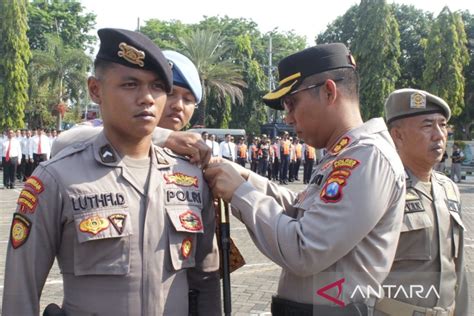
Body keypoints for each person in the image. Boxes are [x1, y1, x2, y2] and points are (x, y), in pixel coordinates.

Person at [2, 28, 220, 316]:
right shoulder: (57, 179)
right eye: (130, 85)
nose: (147, 98)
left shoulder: (191, 178)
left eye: (157, 87)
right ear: (95, 90)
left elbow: (206, 279)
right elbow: (21, 294)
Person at [204, 43, 406, 315]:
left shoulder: (367, 156)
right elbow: (303, 213)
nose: (287, 117)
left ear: (328, 91)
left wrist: (240, 193)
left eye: (291, 102)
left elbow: (305, 249)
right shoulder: (343, 153)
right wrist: (245, 178)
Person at [376, 88, 469, 316]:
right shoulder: (380, 188)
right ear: (397, 135)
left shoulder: (449, 189)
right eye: (427, 126)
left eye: (442, 124)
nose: (439, 135)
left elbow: (458, 267)